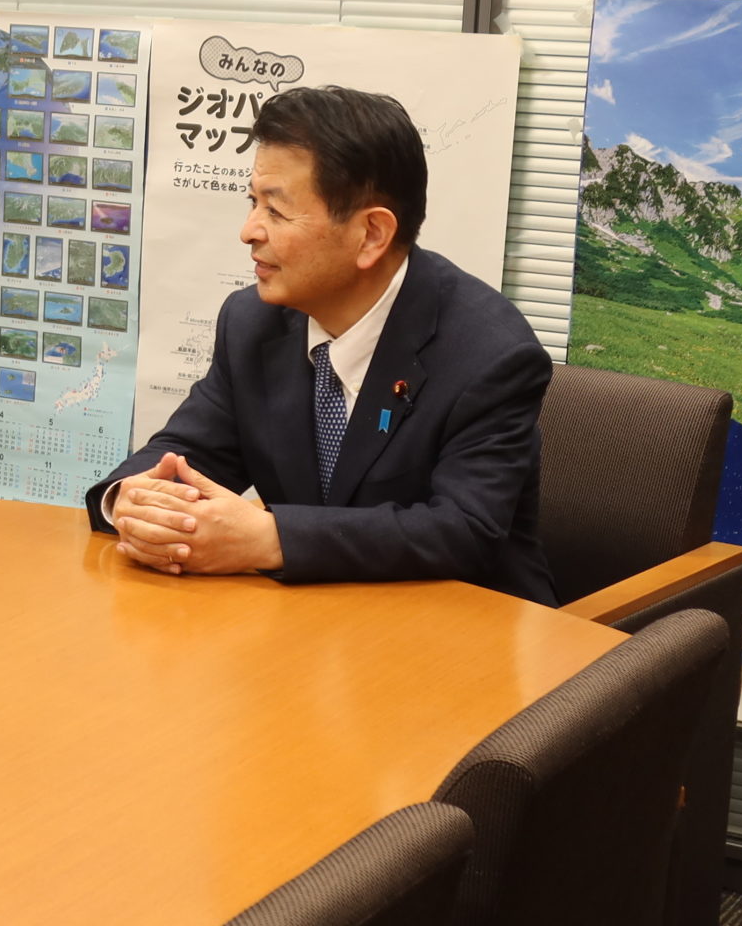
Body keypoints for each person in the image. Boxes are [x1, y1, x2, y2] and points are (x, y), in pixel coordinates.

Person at [92, 85, 557, 604]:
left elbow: (465, 530)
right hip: (312, 617)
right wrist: (133, 499)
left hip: (462, 626)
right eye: (253, 202)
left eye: (276, 210)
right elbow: (188, 453)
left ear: (372, 234)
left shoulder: (489, 353)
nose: (248, 231)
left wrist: (270, 538)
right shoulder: (252, 322)